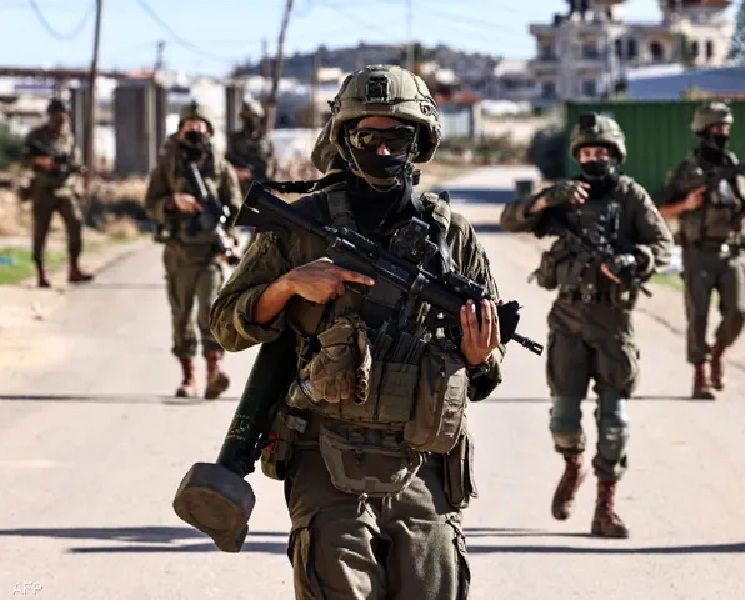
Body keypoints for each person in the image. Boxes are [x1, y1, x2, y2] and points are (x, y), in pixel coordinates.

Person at [210, 65, 503, 599]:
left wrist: (479, 354)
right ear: (345, 139)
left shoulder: (452, 236)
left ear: (420, 142)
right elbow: (225, 324)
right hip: (323, 452)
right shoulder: (301, 227)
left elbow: (486, 370)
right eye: (368, 137)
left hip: (421, 457)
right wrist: (290, 286)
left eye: (398, 138)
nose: (383, 150)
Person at [500, 113, 672, 538]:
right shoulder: (565, 195)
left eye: (602, 152)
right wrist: (546, 199)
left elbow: (663, 244)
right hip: (568, 320)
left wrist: (635, 259)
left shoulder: (630, 196)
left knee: (614, 424)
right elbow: (511, 220)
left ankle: (605, 507)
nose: (594, 159)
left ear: (616, 155)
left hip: (613, 323)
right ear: (578, 156)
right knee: (563, 419)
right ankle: (573, 466)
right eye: (587, 152)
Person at [657, 101, 745, 400]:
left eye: (726, 128)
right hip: (698, 252)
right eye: (717, 127)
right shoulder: (687, 171)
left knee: (739, 311)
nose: (722, 133)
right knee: (698, 315)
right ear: (703, 131)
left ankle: (717, 352)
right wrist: (686, 204)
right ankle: (700, 373)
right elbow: (661, 209)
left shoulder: (739, 170)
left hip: (732, 252)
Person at [144, 100, 240, 399]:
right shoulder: (167, 164)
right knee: (181, 315)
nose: (195, 130)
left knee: (211, 311)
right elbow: (151, 203)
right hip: (179, 250)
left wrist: (230, 238)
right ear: (181, 129)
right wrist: (173, 203)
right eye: (190, 125)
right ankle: (189, 377)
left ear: (209, 130)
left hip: (210, 252)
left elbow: (235, 207)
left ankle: (214, 373)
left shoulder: (221, 166)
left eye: (201, 125)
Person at [22, 98, 93, 287]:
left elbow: (75, 160)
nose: (61, 120)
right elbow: (24, 158)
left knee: (75, 223)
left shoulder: (68, 137)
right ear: (50, 116)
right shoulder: (37, 136)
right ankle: (41, 274)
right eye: (57, 116)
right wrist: (41, 162)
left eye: (63, 116)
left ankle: (74, 269)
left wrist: (79, 174)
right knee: (40, 232)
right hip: (43, 190)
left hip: (64, 189)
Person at [225, 98, 275, 198]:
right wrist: (236, 172)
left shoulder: (266, 143)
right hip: (237, 191)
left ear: (259, 118)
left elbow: (269, 170)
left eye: (253, 117)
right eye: (246, 117)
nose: (250, 120)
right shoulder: (234, 139)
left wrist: (251, 173)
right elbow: (226, 162)